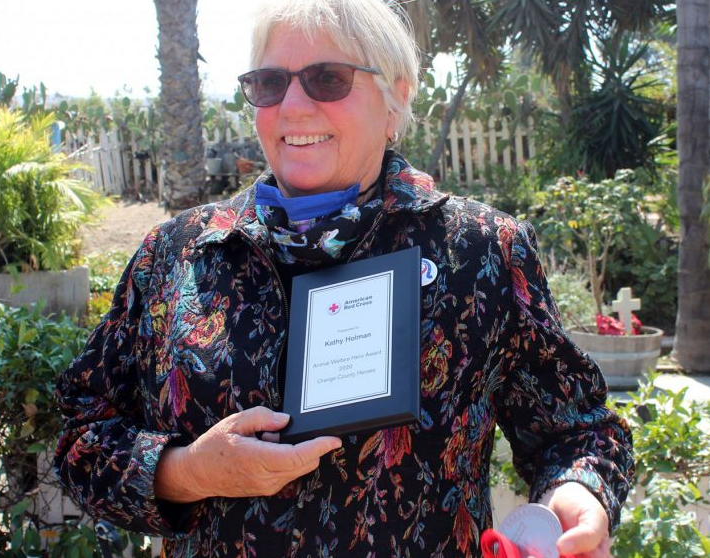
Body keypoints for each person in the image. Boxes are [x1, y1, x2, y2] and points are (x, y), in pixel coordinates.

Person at [54, 0, 633, 556]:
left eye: (327, 78)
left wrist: (579, 495)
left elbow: (576, 432)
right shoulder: (177, 255)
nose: (293, 106)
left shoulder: (479, 251)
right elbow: (82, 436)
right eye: (269, 83)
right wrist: (188, 472)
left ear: (395, 99)